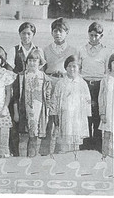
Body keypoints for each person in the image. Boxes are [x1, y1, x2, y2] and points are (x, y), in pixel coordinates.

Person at [41, 17, 78, 155]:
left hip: (65, 85)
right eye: (55, 31)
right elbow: (42, 70)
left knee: (63, 118)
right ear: (52, 33)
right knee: (49, 119)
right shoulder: (45, 49)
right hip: (50, 84)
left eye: (61, 31)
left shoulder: (73, 50)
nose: (58, 34)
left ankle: (60, 152)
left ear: (66, 33)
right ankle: (44, 152)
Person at [8, 22, 45, 157]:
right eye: (23, 33)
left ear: (33, 35)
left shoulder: (38, 50)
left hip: (33, 93)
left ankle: (31, 157)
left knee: (32, 130)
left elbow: (41, 70)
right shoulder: (14, 50)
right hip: (18, 90)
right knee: (16, 127)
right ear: (19, 34)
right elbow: (10, 70)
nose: (26, 36)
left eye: (29, 33)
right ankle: (15, 155)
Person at [13, 48, 52, 157]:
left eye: (35, 60)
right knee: (23, 138)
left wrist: (47, 112)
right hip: (24, 111)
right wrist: (16, 113)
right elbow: (15, 97)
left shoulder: (44, 78)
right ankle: (21, 160)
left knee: (34, 138)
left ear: (39, 63)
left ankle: (31, 160)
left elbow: (48, 97)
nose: (32, 63)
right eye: (30, 60)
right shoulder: (21, 76)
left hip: (38, 111)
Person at [78, 22, 110, 152]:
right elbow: (78, 68)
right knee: (85, 114)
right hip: (85, 85)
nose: (93, 38)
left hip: (99, 85)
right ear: (88, 34)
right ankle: (85, 143)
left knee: (97, 115)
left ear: (101, 36)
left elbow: (107, 71)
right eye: (91, 35)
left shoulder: (106, 51)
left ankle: (97, 144)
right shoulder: (81, 49)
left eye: (96, 35)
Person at [50, 55, 91, 154]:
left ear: (79, 68)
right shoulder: (61, 83)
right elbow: (54, 99)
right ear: (65, 68)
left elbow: (87, 100)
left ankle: (74, 159)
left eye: (74, 66)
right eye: (69, 66)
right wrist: (54, 114)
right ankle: (63, 158)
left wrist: (86, 116)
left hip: (77, 117)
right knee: (64, 140)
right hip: (65, 116)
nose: (72, 69)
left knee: (75, 141)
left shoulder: (82, 83)